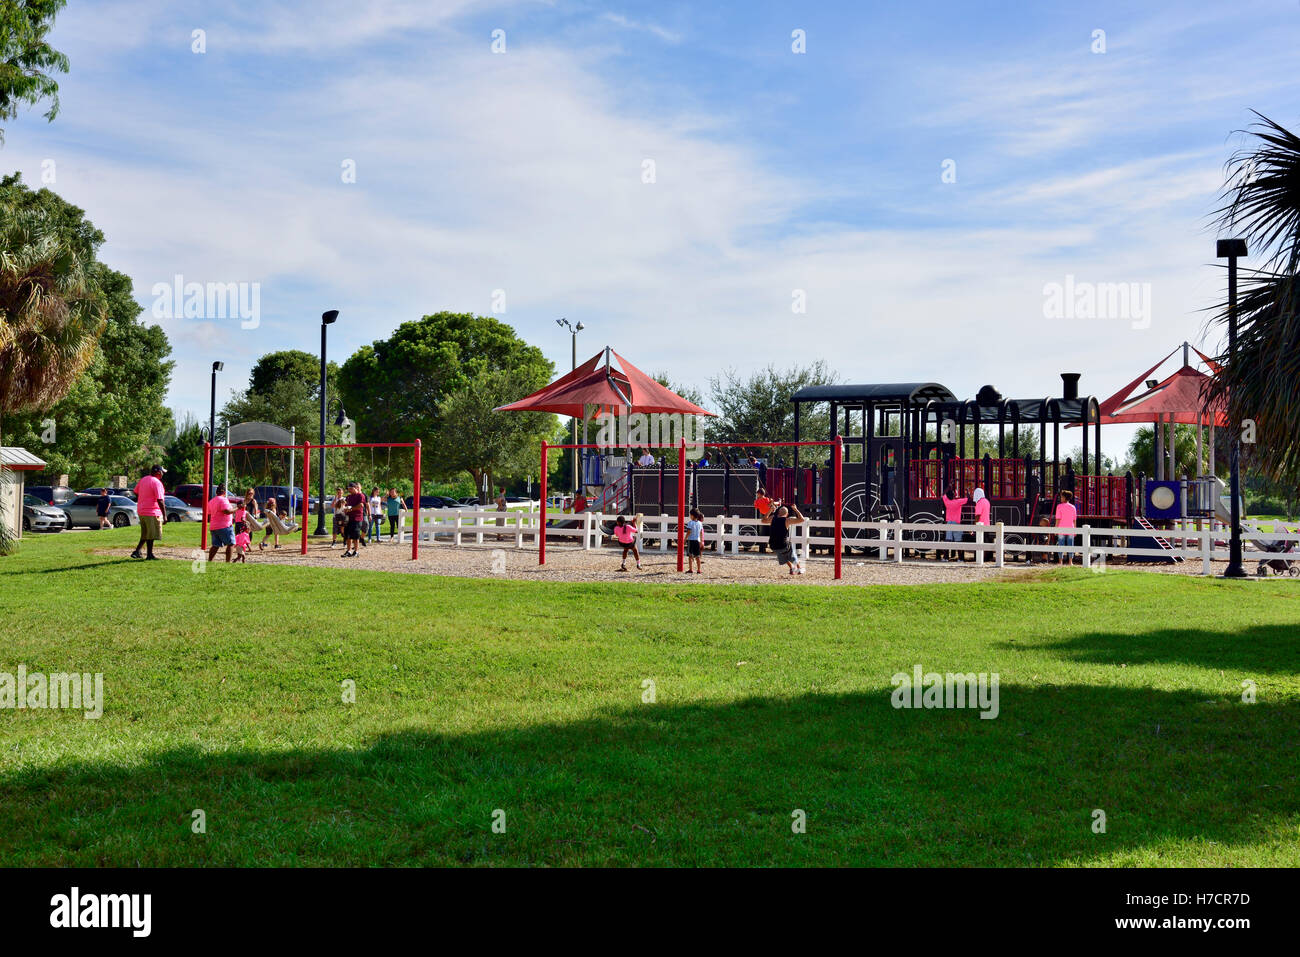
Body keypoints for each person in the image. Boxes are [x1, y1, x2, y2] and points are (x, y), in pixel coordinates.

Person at [130, 465, 167, 560]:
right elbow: (160, 500)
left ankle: (137, 551)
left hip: (141, 510)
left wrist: (144, 498)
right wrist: (165, 515)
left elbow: (135, 491)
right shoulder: (157, 482)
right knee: (151, 534)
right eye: (162, 472)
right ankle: (149, 555)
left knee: (146, 533)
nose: (163, 474)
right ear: (158, 472)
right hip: (152, 511)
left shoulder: (144, 479)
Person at [762, 500, 805, 576]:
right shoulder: (787, 520)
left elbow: (763, 520)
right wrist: (795, 509)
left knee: (782, 553)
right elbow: (802, 519)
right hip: (783, 545)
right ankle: (799, 569)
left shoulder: (772, 518)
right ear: (787, 514)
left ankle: (792, 568)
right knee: (791, 553)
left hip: (772, 546)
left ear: (778, 513)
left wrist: (770, 510)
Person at [206, 484, 237, 563]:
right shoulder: (223, 500)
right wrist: (237, 508)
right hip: (224, 526)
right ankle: (227, 562)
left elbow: (209, 514)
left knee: (215, 545)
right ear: (224, 492)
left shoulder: (212, 501)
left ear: (216, 492)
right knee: (231, 543)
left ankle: (210, 560)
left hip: (214, 526)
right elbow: (226, 511)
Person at [940, 482, 967, 561]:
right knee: (958, 541)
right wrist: (967, 492)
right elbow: (968, 499)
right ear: (954, 496)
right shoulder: (958, 502)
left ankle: (945, 557)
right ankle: (960, 558)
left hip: (949, 523)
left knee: (948, 540)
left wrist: (949, 486)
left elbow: (943, 494)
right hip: (957, 523)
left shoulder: (947, 502)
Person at [1054, 489, 1079, 565]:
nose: (1060, 498)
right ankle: (1070, 562)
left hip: (1061, 528)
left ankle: (1060, 561)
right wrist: (1075, 529)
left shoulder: (1059, 506)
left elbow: (1058, 519)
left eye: (1061, 497)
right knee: (1071, 545)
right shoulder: (1073, 507)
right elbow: (1074, 520)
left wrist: (1056, 529)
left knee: (1060, 545)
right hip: (1071, 528)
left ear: (1065, 498)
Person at [342, 481, 366, 557]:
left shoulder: (360, 495)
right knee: (348, 535)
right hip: (349, 518)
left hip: (357, 518)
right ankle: (348, 551)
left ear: (355, 488)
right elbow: (347, 505)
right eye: (348, 489)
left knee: (355, 535)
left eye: (351, 488)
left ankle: (356, 552)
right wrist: (345, 509)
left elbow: (361, 505)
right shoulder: (348, 497)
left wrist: (351, 509)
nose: (349, 490)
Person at [970, 487, 991, 563]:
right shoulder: (986, 501)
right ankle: (986, 558)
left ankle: (979, 558)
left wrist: (973, 527)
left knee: (979, 542)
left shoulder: (979, 503)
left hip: (980, 525)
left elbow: (977, 516)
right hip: (987, 525)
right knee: (986, 541)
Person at [685, 508, 705, 574]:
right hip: (697, 541)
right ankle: (699, 570)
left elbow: (688, 532)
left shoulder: (690, 523)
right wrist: (701, 541)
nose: (690, 516)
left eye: (690, 515)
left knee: (690, 556)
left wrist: (684, 539)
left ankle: (690, 569)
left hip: (691, 540)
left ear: (692, 515)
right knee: (698, 556)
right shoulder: (700, 523)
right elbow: (701, 533)